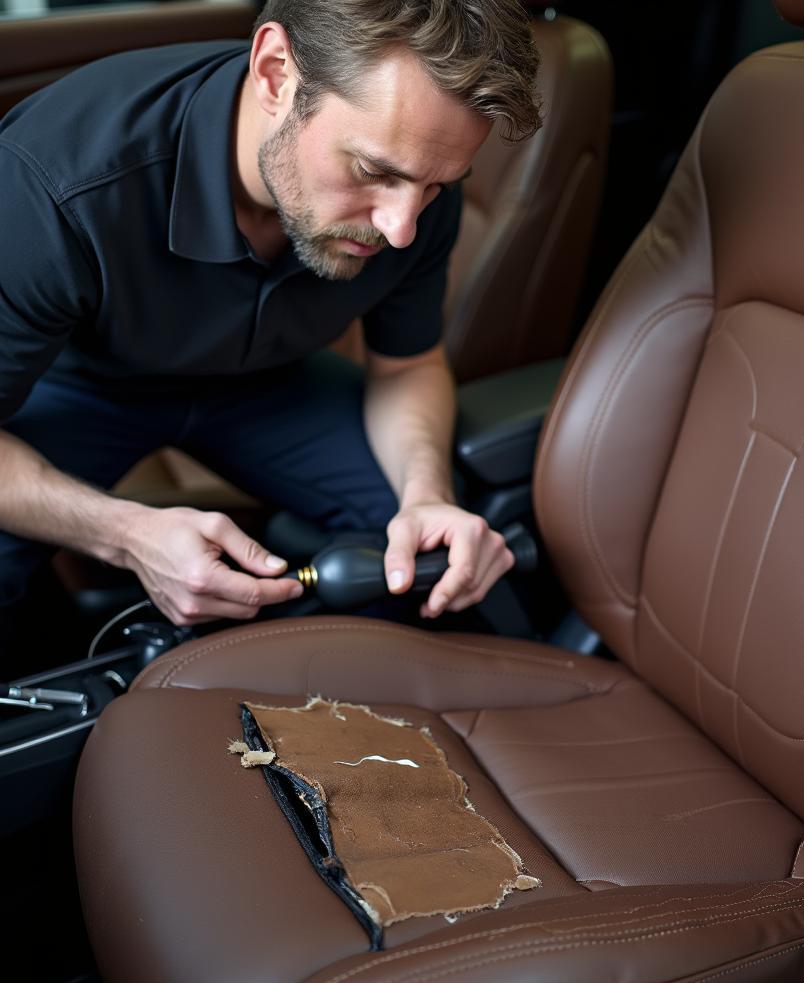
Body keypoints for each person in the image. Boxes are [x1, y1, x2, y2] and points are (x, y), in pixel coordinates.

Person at [0, 0, 542, 663]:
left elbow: (406, 365)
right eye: (375, 172)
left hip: (269, 382)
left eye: (435, 187)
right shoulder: (53, 185)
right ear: (276, 72)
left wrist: (425, 496)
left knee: (425, 548)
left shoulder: (419, 187)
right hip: (82, 380)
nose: (402, 227)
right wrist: (126, 533)